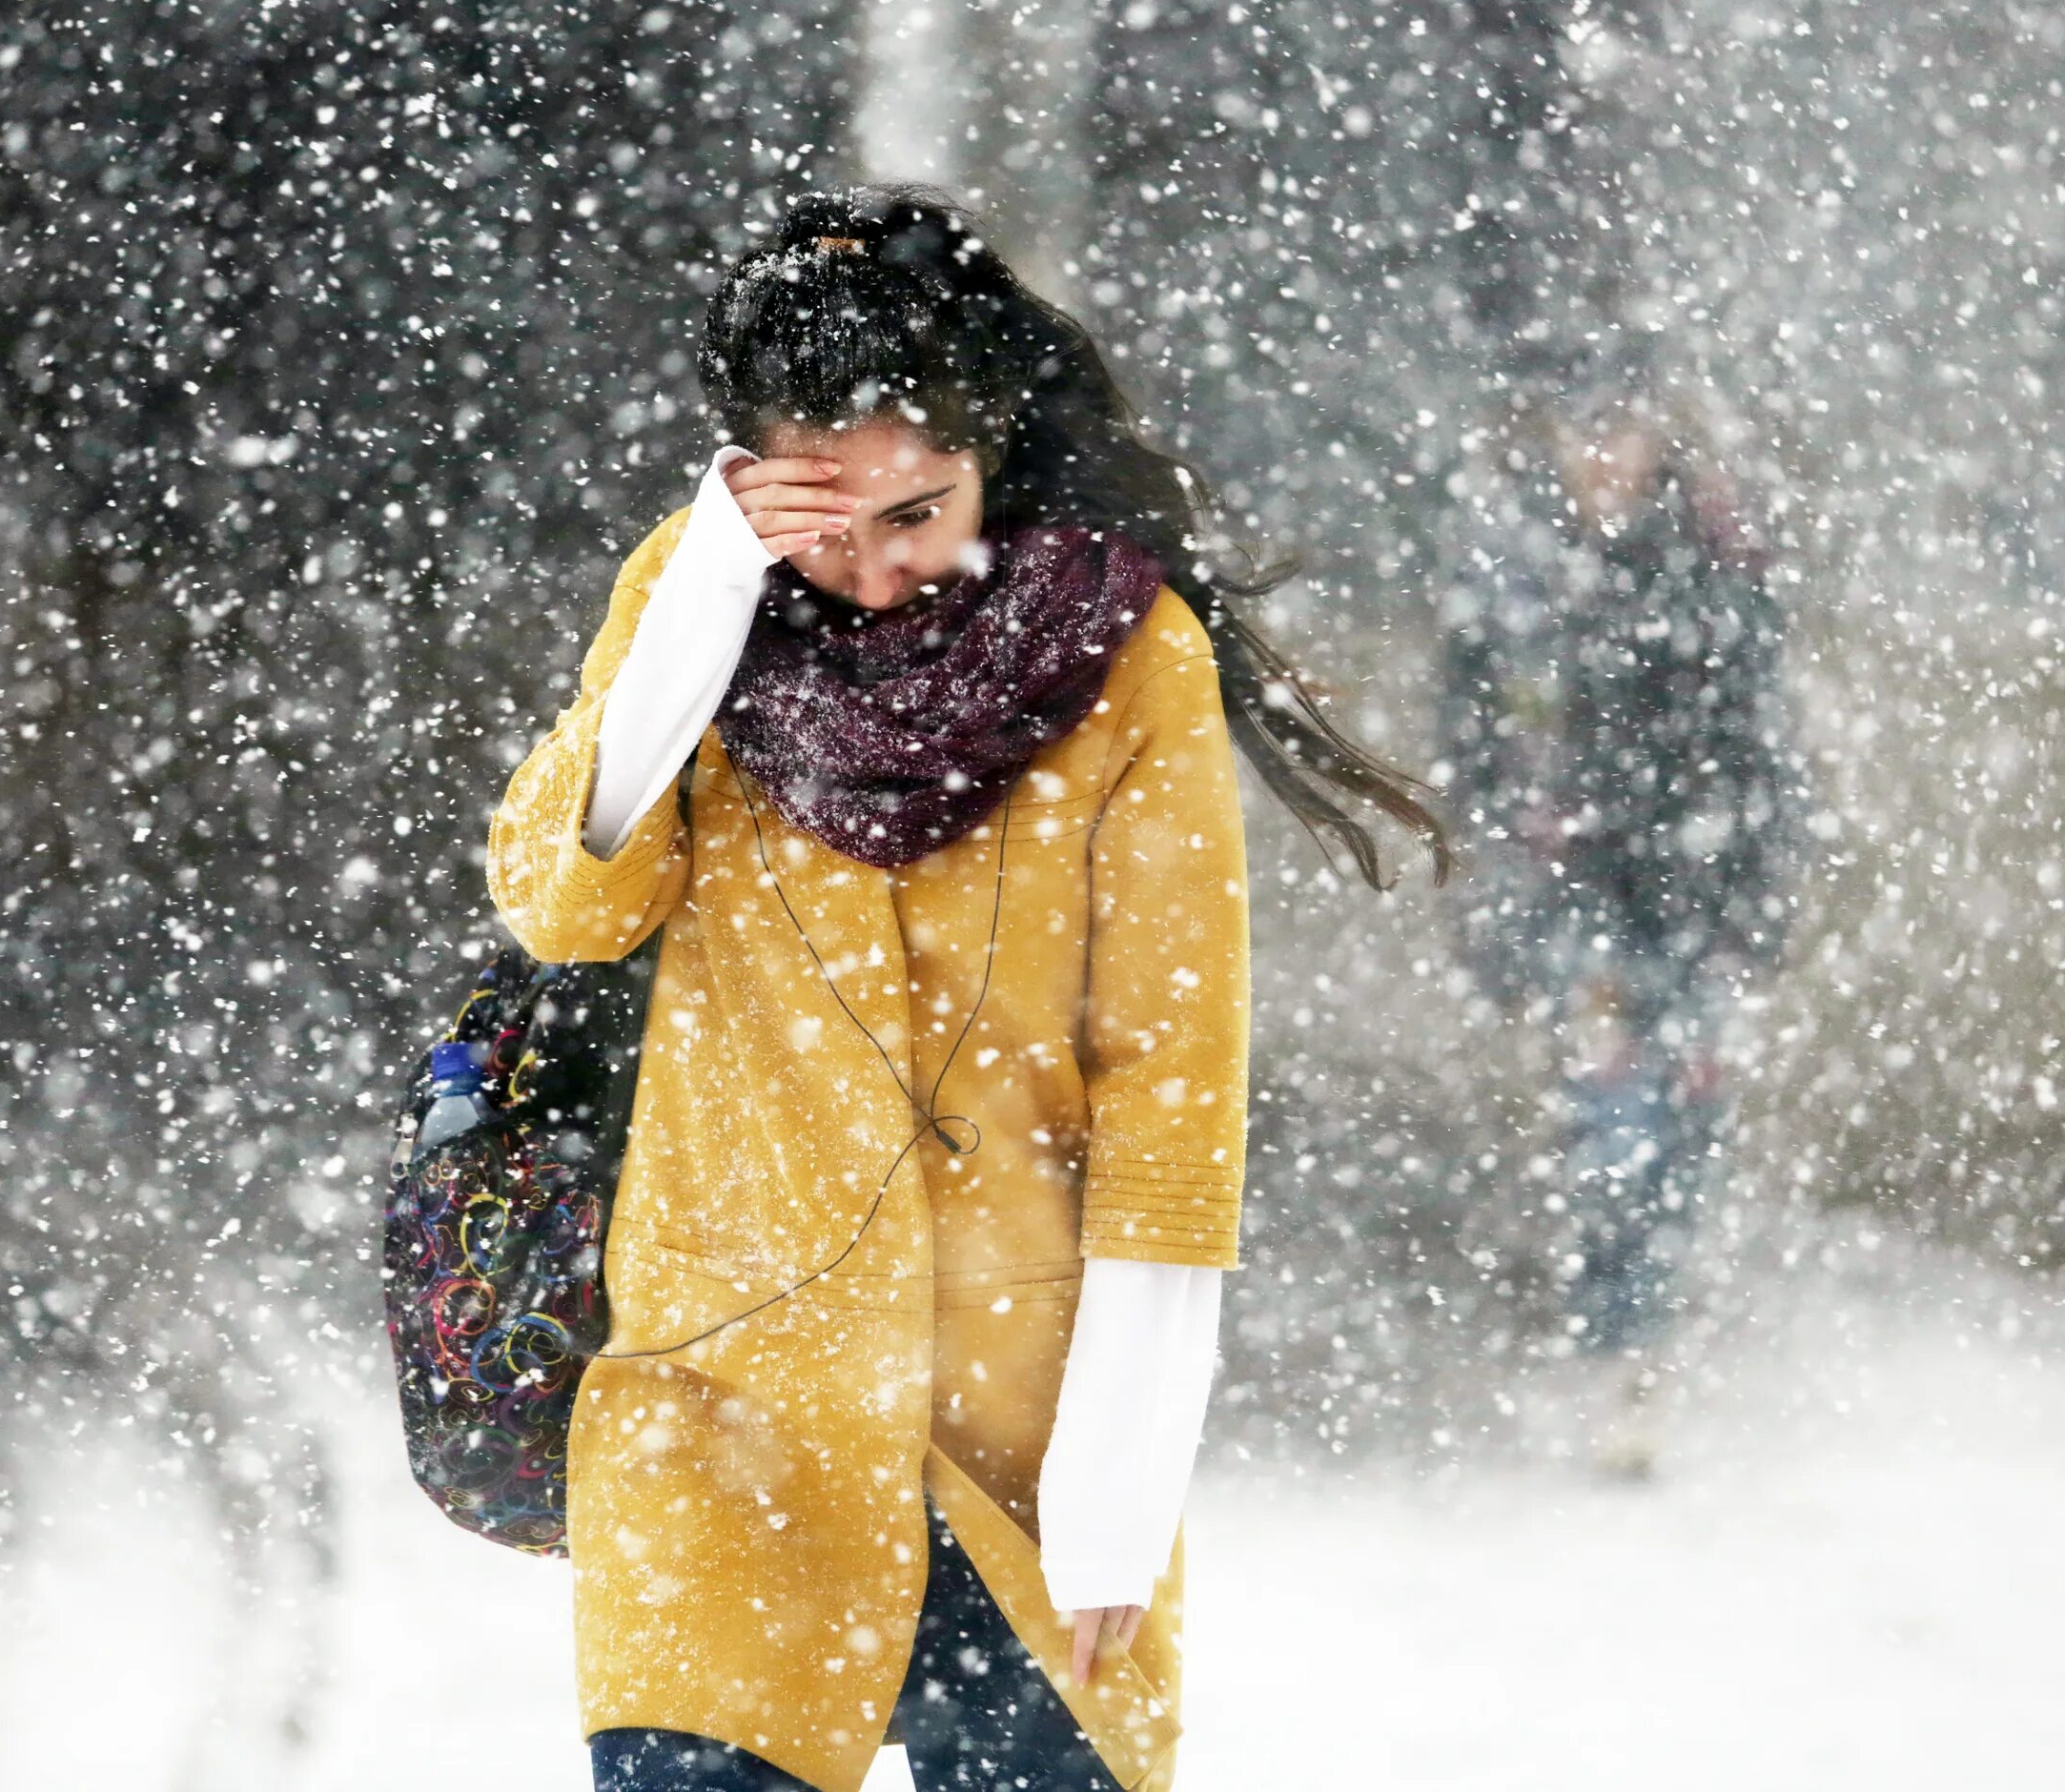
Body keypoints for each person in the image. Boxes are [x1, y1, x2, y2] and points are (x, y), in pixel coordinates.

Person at [485, 184, 1446, 1792]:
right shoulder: (699, 596)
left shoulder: (1127, 657)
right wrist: (714, 583)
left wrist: (1119, 1500)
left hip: (1018, 1426)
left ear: (987, 447)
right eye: (822, 526)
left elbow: (1169, 1084)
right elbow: (567, 900)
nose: (870, 575)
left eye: (918, 512)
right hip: (723, 1399)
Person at [1433, 364, 1793, 1420]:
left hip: (1695, 884)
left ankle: (1639, 1319)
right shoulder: (1516, 566)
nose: (1602, 452)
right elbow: (1474, 731)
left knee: (1683, 1114)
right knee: (1612, 1113)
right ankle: (1622, 1337)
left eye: (1622, 428)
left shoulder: (1712, 558)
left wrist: (1754, 885)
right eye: (1582, 428)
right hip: (1574, 888)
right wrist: (1500, 870)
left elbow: (1757, 736)